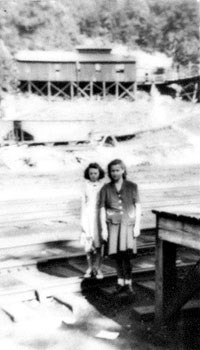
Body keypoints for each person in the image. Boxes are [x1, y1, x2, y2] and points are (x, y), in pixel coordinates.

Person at [99, 159, 141, 294]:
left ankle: (128, 284)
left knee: (127, 256)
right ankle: (120, 282)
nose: (115, 173)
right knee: (117, 256)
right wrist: (104, 229)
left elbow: (138, 206)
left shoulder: (132, 186)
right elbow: (102, 209)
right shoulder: (105, 188)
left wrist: (137, 226)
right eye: (112, 171)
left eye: (117, 170)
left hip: (128, 225)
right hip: (114, 226)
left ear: (123, 170)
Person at [81, 162, 105, 279]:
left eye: (95, 173)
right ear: (88, 174)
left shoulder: (103, 186)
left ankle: (98, 267)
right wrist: (84, 222)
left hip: (99, 216)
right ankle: (90, 267)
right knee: (88, 244)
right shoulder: (86, 185)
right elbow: (83, 203)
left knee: (99, 244)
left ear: (99, 173)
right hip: (88, 215)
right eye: (91, 173)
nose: (93, 175)